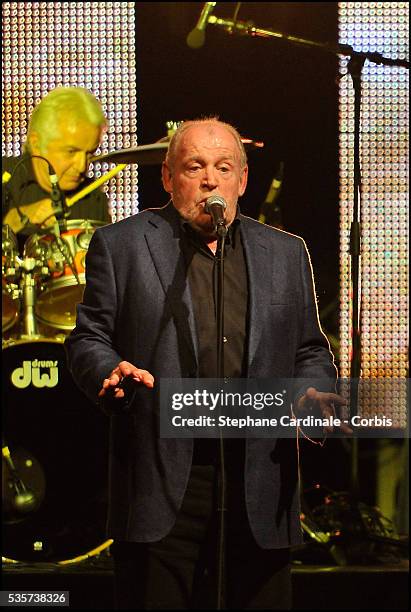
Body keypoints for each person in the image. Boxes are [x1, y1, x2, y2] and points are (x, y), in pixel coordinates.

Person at [65, 118, 347, 609]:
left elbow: (310, 349)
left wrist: (312, 391)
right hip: (161, 478)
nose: (210, 179)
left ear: (242, 179)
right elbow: (89, 336)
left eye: (223, 167)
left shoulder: (285, 253)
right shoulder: (123, 245)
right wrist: (107, 370)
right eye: (195, 166)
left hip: (259, 479)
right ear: (169, 177)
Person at [2, 86, 111, 242]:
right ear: (36, 143)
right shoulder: (5, 178)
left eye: (90, 153)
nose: (82, 167)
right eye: (71, 151)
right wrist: (11, 223)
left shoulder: (94, 198)